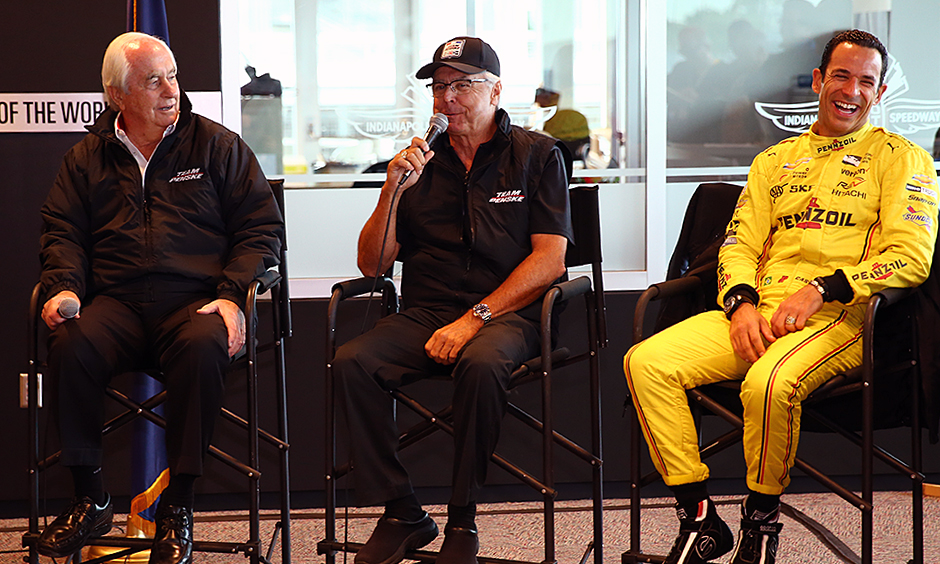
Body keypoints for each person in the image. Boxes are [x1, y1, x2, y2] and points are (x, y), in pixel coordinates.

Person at [624, 29, 937, 564]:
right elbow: (737, 245)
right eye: (841, 75)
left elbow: (912, 259)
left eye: (867, 81)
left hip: (840, 321)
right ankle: (700, 519)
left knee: (766, 383)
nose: (852, 91)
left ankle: (760, 523)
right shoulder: (773, 160)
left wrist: (823, 288)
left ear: (880, 94)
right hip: (759, 312)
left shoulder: (902, 159)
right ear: (819, 80)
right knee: (646, 363)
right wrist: (740, 303)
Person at [36, 32, 283, 564]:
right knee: (71, 342)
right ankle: (91, 499)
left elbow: (261, 230)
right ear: (116, 96)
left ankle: (178, 507)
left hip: (195, 301)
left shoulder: (217, 146)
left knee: (202, 344)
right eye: (153, 80)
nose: (171, 90)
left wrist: (233, 295)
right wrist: (64, 288)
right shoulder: (85, 159)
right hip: (116, 303)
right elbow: (62, 234)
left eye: (172, 76)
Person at [333, 36, 572, 564]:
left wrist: (474, 319)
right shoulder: (418, 164)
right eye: (440, 88)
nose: (448, 99)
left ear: (496, 91)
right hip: (428, 310)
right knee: (354, 361)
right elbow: (372, 265)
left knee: (482, 365)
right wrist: (390, 191)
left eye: (463, 85)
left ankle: (462, 522)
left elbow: (550, 261)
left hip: (508, 313)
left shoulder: (536, 155)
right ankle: (402, 512)